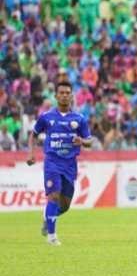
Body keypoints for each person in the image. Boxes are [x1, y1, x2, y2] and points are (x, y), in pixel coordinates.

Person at [26, 81, 93, 246]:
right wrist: (31, 153)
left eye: (67, 93)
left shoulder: (79, 119)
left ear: (71, 96)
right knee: (53, 196)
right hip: (52, 163)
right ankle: (52, 236)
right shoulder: (46, 117)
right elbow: (33, 135)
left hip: (70, 165)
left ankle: (46, 218)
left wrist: (82, 141)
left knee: (65, 206)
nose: (64, 95)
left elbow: (90, 141)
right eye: (61, 93)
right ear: (56, 96)